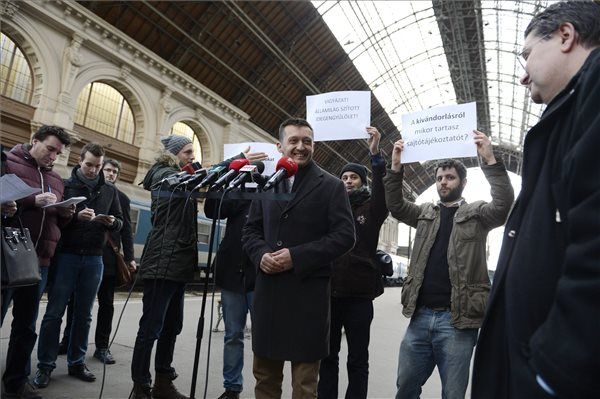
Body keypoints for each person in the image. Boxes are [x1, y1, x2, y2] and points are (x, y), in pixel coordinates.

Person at [472, 2, 600, 398]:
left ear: (565, 36)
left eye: (526, 54)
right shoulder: (567, 115)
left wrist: (554, 368)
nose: (524, 75)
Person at [384, 132, 514, 399]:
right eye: (440, 178)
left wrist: (489, 159)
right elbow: (395, 205)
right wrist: (396, 167)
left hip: (457, 321)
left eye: (450, 177)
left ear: (462, 183)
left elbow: (503, 205)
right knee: (406, 386)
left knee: (453, 394)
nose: (443, 182)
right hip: (420, 317)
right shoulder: (424, 213)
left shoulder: (477, 214)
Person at [243, 118, 355, 399]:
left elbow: (344, 236)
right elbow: (250, 230)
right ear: (280, 146)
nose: (300, 147)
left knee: (305, 386)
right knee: (265, 380)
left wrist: (297, 256)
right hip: (269, 295)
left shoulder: (331, 186)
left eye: (307, 141)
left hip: (308, 298)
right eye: (294, 141)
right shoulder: (267, 184)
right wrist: (261, 255)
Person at [35, 143, 123, 388]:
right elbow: (52, 220)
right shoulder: (65, 184)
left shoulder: (110, 191)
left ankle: (76, 362)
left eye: (98, 166)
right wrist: (73, 216)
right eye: (89, 165)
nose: (94, 170)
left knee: (84, 315)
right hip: (67, 256)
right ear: (80, 161)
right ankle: (45, 366)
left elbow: (121, 223)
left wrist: (112, 221)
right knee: (54, 313)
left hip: (95, 258)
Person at [1, 126, 73, 399]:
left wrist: (66, 212)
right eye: (50, 148)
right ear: (35, 141)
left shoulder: (56, 179)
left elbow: (55, 221)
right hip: (7, 256)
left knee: (26, 326)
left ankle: (17, 383)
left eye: (58, 152)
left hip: (39, 260)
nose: (54, 156)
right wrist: (31, 199)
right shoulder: (8, 162)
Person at [317, 127, 388, 399]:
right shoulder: (329, 209)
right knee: (328, 356)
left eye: (354, 177)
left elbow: (382, 190)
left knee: (358, 359)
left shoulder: (372, 209)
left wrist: (376, 156)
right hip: (330, 293)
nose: (348, 181)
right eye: (344, 177)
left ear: (362, 182)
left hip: (359, 295)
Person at [130, 135, 196, 399]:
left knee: (172, 326)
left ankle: (162, 381)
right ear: (174, 153)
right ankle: (141, 384)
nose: (192, 156)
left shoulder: (180, 176)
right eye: (188, 152)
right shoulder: (165, 174)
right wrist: (236, 162)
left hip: (177, 260)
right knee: (151, 328)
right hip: (163, 260)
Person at [58, 159, 136, 364]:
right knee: (75, 303)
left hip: (109, 257)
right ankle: (67, 341)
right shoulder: (88, 189)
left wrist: (129, 258)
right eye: (108, 170)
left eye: (114, 171)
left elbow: (126, 228)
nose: (110, 174)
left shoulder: (121, 197)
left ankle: (102, 346)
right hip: (86, 253)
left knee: (106, 304)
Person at [203, 149, 268, 399]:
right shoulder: (236, 193)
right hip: (232, 272)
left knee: (263, 336)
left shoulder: (271, 193)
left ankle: (265, 387)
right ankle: (232, 387)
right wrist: (231, 172)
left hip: (261, 274)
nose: (251, 176)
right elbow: (212, 209)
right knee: (233, 334)